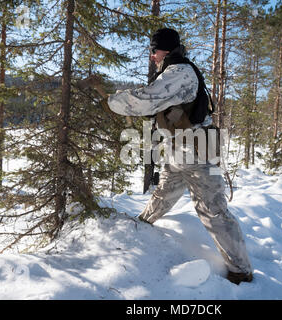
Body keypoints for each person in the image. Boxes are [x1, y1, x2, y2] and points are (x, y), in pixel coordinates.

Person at [107, 28, 253, 285]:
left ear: (166, 50)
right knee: (164, 192)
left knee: (213, 211)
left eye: (154, 50)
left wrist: (113, 101)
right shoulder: (173, 72)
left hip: (198, 150)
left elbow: (146, 101)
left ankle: (240, 269)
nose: (152, 56)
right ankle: (142, 225)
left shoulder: (180, 73)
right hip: (180, 150)